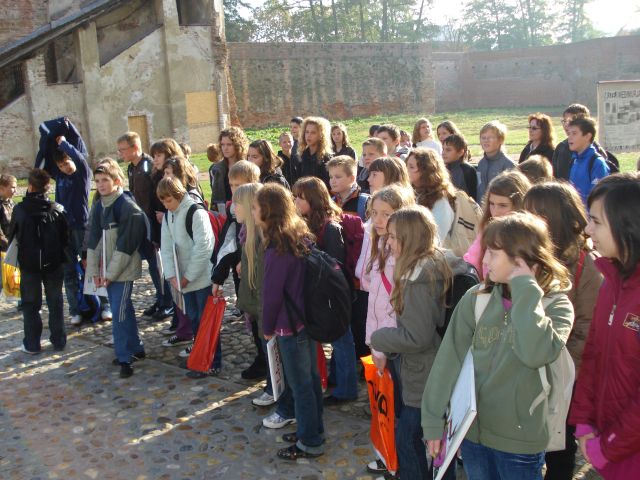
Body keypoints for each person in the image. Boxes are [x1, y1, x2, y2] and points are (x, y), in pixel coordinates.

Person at [422, 211, 574, 480]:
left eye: (493, 253)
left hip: (520, 445)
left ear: (521, 258)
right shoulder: (476, 298)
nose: (484, 260)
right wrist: (433, 421)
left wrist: (525, 289)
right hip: (473, 435)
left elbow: (535, 353)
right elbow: (448, 361)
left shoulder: (556, 306)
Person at [370, 205, 465, 479]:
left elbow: (417, 337)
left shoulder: (418, 280)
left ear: (409, 239)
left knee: (409, 439)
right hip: (432, 368)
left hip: (424, 374)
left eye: (393, 237)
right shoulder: (430, 265)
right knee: (436, 443)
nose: (388, 242)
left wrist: (378, 338)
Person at [524, 182, 603, 480]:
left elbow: (586, 328)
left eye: (532, 213)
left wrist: (557, 365)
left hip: (563, 374)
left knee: (559, 448)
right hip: (532, 369)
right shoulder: (532, 255)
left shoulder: (586, 265)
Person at [569, 173, 640, 479]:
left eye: (596, 221)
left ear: (627, 224)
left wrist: (610, 445)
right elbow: (593, 354)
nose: (587, 229)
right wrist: (584, 420)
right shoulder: (611, 282)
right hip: (610, 442)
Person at [254, 183, 325, 460]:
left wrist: (266, 328)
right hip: (305, 319)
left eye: (256, 207)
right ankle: (313, 429)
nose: (254, 212)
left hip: (289, 325)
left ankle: (310, 442)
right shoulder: (298, 236)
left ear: (268, 211)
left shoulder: (278, 248)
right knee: (310, 381)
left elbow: (272, 295)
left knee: (301, 385)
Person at [293, 177, 359, 405]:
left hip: (334, 295)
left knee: (342, 340)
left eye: (300, 197)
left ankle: (347, 389)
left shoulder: (330, 227)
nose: (296, 201)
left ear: (313, 199)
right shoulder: (308, 222)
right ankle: (336, 377)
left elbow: (334, 266)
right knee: (336, 340)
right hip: (320, 294)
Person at [86, 159, 147, 378]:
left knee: (119, 313)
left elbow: (125, 247)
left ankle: (124, 357)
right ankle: (136, 348)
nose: (100, 185)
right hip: (108, 271)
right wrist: (94, 272)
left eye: (105, 180)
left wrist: (110, 275)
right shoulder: (99, 205)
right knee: (124, 308)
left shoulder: (128, 208)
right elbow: (93, 240)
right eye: (97, 181)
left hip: (123, 270)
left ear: (117, 181)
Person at [157, 177, 216, 378]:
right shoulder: (169, 215)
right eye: (163, 202)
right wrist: (172, 275)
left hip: (201, 279)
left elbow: (204, 248)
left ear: (179, 195)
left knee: (205, 322)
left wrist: (188, 276)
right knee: (194, 320)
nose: (167, 206)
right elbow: (166, 247)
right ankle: (200, 360)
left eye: (169, 201)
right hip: (183, 281)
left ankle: (212, 362)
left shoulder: (196, 213)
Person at [11, 169, 68, 354]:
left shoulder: (20, 210)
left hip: (30, 264)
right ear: (47, 187)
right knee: (55, 302)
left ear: (29, 186)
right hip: (52, 263)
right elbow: (65, 237)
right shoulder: (57, 209)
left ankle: (32, 343)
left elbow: (13, 234)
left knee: (31, 304)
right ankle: (58, 340)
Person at [118, 132, 173, 320]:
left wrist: (156, 227)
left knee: (159, 265)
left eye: (123, 149)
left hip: (153, 223)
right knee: (152, 265)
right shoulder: (131, 168)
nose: (120, 154)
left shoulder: (148, 165)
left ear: (135, 148)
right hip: (142, 223)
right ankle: (161, 298)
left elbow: (156, 196)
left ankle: (167, 302)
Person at [50, 135, 92, 326]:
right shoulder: (59, 177)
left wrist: (64, 143)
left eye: (66, 163)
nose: (64, 168)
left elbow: (80, 158)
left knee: (89, 267)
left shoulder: (81, 174)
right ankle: (75, 310)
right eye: (60, 166)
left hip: (81, 227)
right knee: (68, 271)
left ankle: (102, 305)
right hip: (64, 230)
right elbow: (44, 158)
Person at [464, 170, 531, 276]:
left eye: (503, 205)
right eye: (492, 204)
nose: (495, 212)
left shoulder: (529, 238)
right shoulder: (487, 229)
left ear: (519, 205)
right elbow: (471, 262)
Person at [406, 148, 455, 243]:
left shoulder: (441, 202)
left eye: (411, 167)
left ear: (426, 171)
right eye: (406, 165)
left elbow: (436, 238)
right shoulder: (410, 193)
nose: (406, 170)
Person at [552, 104, 607, 181]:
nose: (566, 125)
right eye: (564, 121)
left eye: (570, 121)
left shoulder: (597, 159)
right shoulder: (564, 150)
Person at [567, 116, 609, 206]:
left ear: (587, 136)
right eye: (568, 134)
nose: (569, 138)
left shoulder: (597, 163)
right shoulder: (574, 160)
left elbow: (599, 197)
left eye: (574, 133)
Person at [210, 127, 249, 211]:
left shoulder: (248, 166)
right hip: (224, 213)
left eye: (229, 144)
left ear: (238, 145)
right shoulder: (217, 169)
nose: (225, 148)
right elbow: (215, 199)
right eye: (222, 144)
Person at [476, 120, 516, 200]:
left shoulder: (508, 165)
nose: (486, 140)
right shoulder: (481, 164)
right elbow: (480, 189)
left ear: (501, 140)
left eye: (490, 137)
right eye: (483, 137)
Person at [326, 155, 369, 221]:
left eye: (338, 177)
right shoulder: (331, 202)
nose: (333, 181)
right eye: (331, 177)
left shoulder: (364, 202)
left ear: (352, 179)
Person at [297, 116, 333, 188]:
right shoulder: (302, 155)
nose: (308, 135)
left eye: (313, 133)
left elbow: (327, 184)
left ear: (321, 135)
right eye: (307, 132)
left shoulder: (326, 158)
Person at [442, 133, 478, 201]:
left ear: (460, 152)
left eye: (448, 150)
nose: (443, 153)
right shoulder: (441, 169)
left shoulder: (467, 170)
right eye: (443, 149)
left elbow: (473, 196)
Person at [0, 174, 17, 295]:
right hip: (3, 248)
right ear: (2, 188)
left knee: (14, 281)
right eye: (12, 187)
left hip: (12, 247)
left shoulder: (11, 203)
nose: (15, 190)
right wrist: (9, 245)